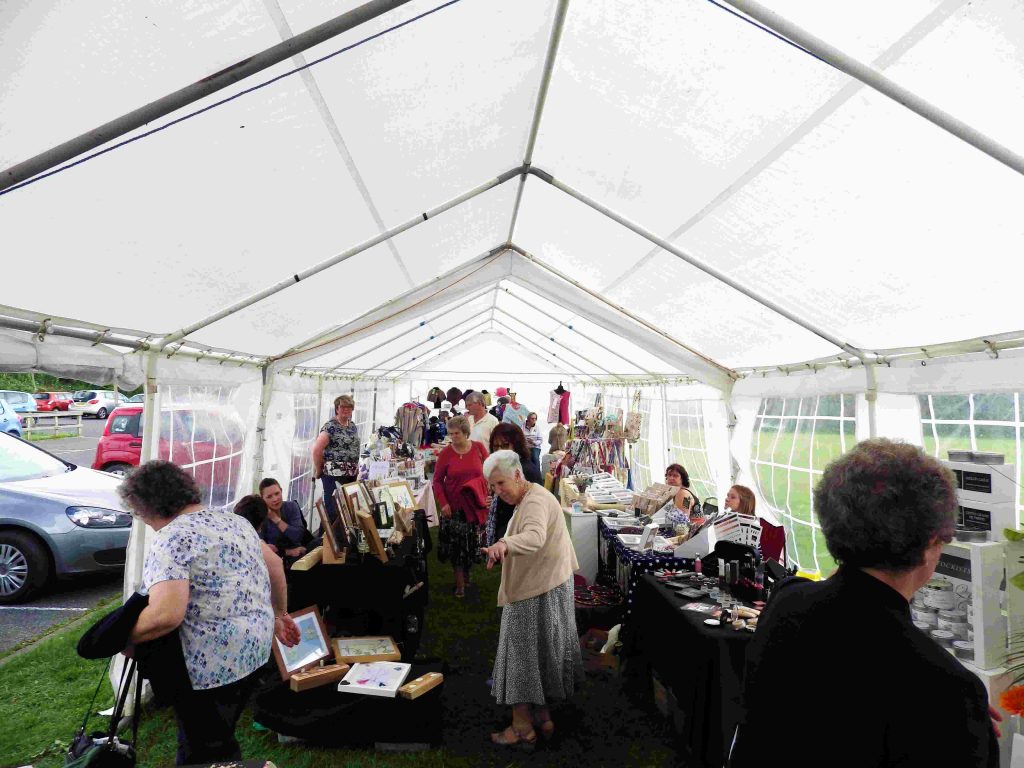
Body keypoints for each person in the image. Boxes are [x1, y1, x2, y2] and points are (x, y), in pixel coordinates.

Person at [730, 439, 1001, 767]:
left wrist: (952, 699)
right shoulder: (946, 689)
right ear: (932, 543)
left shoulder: (787, 601)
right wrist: (955, 704)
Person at [120, 461, 300, 766]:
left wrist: (116, 636)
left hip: (210, 667)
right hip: (253, 652)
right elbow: (275, 566)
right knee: (217, 737)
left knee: (202, 753)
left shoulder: (172, 538)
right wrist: (280, 614)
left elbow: (166, 615)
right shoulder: (234, 522)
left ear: (147, 505)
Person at [479, 451, 583, 751]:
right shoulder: (531, 496)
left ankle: (522, 728)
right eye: (493, 486)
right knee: (539, 655)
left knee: (521, 658)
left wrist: (504, 543)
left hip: (537, 589)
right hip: (547, 584)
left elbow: (535, 536)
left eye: (500, 484)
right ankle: (542, 715)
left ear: (516, 475)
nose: (497, 491)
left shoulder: (535, 500)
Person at [432, 415, 489, 598]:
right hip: (454, 507)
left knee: (471, 544)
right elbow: (437, 481)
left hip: (475, 506)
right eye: (450, 434)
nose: (453, 437)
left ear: (466, 433)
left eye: (457, 433)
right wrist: (444, 503)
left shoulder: (479, 449)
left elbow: (490, 473)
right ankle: (459, 584)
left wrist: (490, 494)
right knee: (456, 547)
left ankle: (466, 575)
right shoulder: (446, 453)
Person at [487, 422, 542, 544]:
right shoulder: (505, 466)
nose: (500, 450)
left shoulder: (525, 470)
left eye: (505, 445)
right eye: (496, 447)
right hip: (507, 532)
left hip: (520, 536)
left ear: (516, 445)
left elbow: (532, 509)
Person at [312, 394, 360, 523]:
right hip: (334, 475)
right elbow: (316, 450)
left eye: (349, 407)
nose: (346, 410)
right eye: (343, 407)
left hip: (351, 475)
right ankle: (326, 538)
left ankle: (342, 538)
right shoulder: (330, 427)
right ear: (337, 409)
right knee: (333, 509)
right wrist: (319, 469)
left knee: (347, 509)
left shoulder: (352, 425)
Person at [258, 477, 308, 559]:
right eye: (269, 497)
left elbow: (298, 536)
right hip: (275, 558)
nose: (275, 499)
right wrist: (287, 552)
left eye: (277, 493)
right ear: (262, 498)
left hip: (299, 553)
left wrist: (276, 519)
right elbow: (262, 547)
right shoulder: (261, 516)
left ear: (281, 491)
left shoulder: (291, 506)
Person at [663, 463, 701, 529]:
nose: (671, 478)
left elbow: (682, 521)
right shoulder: (676, 491)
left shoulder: (682, 494)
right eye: (669, 475)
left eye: (675, 476)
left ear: (682, 479)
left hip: (694, 533)